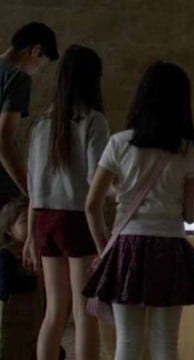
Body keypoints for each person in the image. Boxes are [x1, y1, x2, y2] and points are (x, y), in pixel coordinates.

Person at [83, 62, 194, 360]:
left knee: (127, 343)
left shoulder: (119, 143)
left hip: (126, 246)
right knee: (165, 344)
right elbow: (191, 215)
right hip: (170, 246)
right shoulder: (189, 150)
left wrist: (105, 249)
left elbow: (91, 205)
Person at [24, 45, 109, 360]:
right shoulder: (93, 120)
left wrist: (31, 236)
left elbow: (33, 186)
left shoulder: (42, 121)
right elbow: (96, 180)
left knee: (54, 310)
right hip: (76, 220)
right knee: (84, 309)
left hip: (44, 219)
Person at [0, 22, 59, 203]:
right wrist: (30, 191)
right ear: (35, 50)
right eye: (40, 65)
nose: (37, 71)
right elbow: (3, 140)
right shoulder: (17, 78)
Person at [0, 196, 51, 360]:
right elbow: (5, 287)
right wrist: (35, 280)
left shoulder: (41, 254)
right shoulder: (6, 255)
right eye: (24, 223)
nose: (32, 228)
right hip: (13, 321)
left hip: (34, 319)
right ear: (9, 229)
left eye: (35, 223)